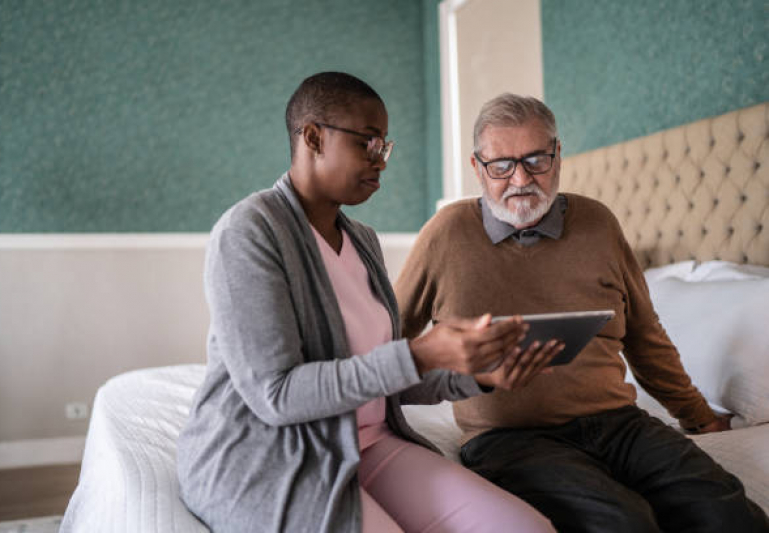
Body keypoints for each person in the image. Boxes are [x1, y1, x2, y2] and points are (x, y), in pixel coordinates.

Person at [176, 73, 562, 533]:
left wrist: (474, 375)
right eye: (368, 143)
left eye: (385, 147)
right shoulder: (250, 232)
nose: (381, 161)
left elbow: (383, 375)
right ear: (314, 137)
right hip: (273, 450)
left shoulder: (362, 241)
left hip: (370, 443)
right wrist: (420, 352)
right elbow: (275, 396)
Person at [394, 93, 769, 533]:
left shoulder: (598, 223)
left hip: (619, 423)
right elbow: (390, 345)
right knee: (624, 523)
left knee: (725, 512)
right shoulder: (446, 234)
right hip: (510, 439)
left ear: (558, 156)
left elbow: (645, 337)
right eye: (501, 165)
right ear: (477, 168)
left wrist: (697, 415)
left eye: (536, 160)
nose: (520, 178)